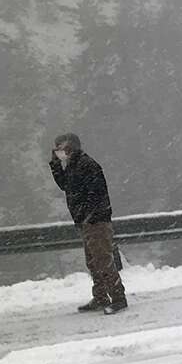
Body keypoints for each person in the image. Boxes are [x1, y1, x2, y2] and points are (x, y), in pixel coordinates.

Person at [49, 133, 128, 314]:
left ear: (70, 147)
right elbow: (65, 185)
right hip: (86, 222)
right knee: (93, 262)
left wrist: (88, 216)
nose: (58, 152)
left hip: (96, 222)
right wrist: (55, 165)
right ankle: (100, 297)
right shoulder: (72, 165)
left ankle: (118, 298)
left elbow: (96, 194)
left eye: (60, 148)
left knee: (103, 260)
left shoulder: (87, 165)